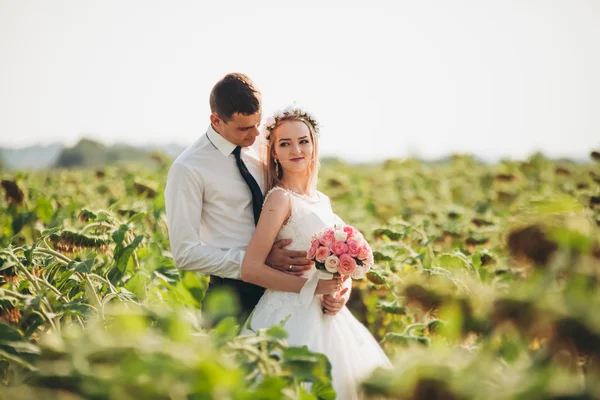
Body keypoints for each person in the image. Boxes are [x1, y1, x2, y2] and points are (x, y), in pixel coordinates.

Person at [164, 73, 346, 320]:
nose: (254, 135)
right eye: (243, 128)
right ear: (216, 121)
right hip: (232, 296)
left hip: (289, 293)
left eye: (257, 124)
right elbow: (185, 254)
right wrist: (257, 262)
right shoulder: (189, 168)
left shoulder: (265, 148)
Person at [240, 107, 392, 399]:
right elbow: (251, 269)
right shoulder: (280, 199)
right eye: (285, 143)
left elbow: (337, 269)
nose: (296, 149)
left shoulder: (322, 200)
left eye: (303, 141)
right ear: (274, 153)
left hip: (330, 314)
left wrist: (342, 291)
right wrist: (314, 287)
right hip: (289, 312)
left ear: (313, 146)